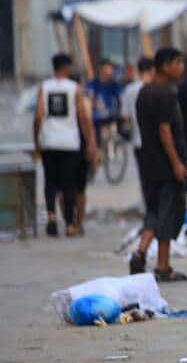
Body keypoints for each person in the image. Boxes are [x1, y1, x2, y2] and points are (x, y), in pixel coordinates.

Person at [131, 47, 187, 282]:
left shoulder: (144, 92)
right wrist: (177, 163)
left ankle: (140, 252)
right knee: (166, 213)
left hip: (148, 162)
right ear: (165, 65)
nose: (181, 67)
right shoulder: (166, 93)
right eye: (178, 63)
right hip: (166, 164)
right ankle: (163, 266)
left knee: (154, 211)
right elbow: (165, 130)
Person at [32, 54, 98, 237]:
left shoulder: (44, 87)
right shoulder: (74, 88)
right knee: (69, 184)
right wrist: (90, 141)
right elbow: (84, 118)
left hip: (49, 141)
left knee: (50, 181)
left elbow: (38, 116)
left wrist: (36, 140)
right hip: (70, 142)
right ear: (66, 67)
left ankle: (52, 216)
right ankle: (70, 224)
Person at [122, 57, 155, 234]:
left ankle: (148, 213)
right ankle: (155, 215)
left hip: (138, 142)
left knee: (145, 180)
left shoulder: (129, 90)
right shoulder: (156, 89)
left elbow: (125, 119)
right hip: (156, 144)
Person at [86, 59, 123, 144]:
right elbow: (88, 98)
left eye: (112, 68)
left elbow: (121, 99)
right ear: (101, 69)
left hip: (111, 118)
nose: (111, 71)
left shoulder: (115, 85)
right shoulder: (92, 84)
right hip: (96, 120)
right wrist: (95, 103)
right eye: (109, 68)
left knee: (112, 137)